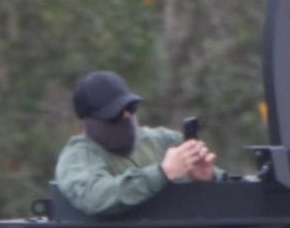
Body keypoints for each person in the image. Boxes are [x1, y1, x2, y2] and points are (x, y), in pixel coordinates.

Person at [53, 70, 216, 216]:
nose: (126, 118)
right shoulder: (78, 157)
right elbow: (95, 197)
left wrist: (208, 178)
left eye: (130, 108)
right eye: (115, 114)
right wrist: (161, 173)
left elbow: (220, 183)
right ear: (90, 121)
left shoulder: (163, 141)